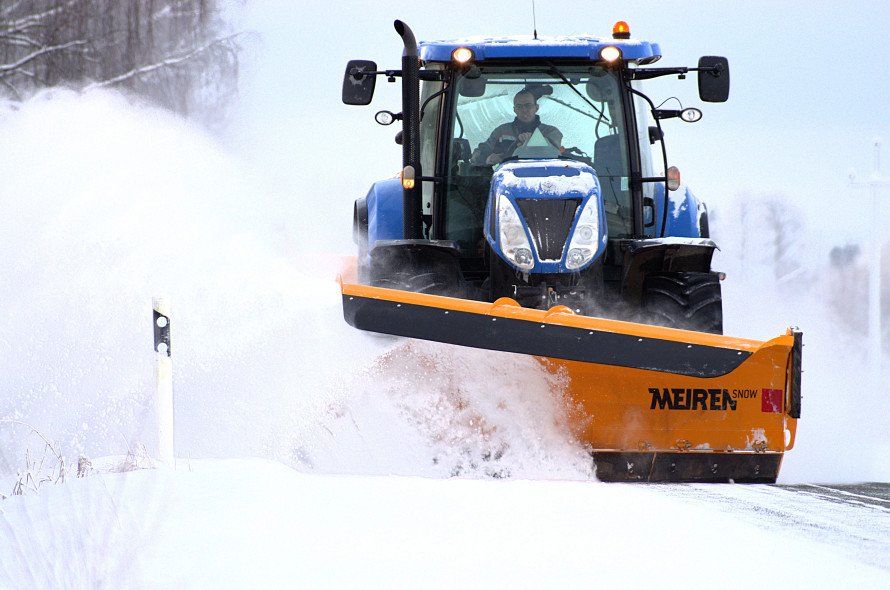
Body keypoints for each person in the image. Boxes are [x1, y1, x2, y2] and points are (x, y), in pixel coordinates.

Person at [470, 89, 563, 166]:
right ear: (514, 110)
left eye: (528, 105)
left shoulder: (550, 132)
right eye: (519, 106)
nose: (524, 110)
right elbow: (478, 154)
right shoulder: (502, 132)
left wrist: (532, 142)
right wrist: (487, 159)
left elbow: (554, 154)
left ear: (536, 108)